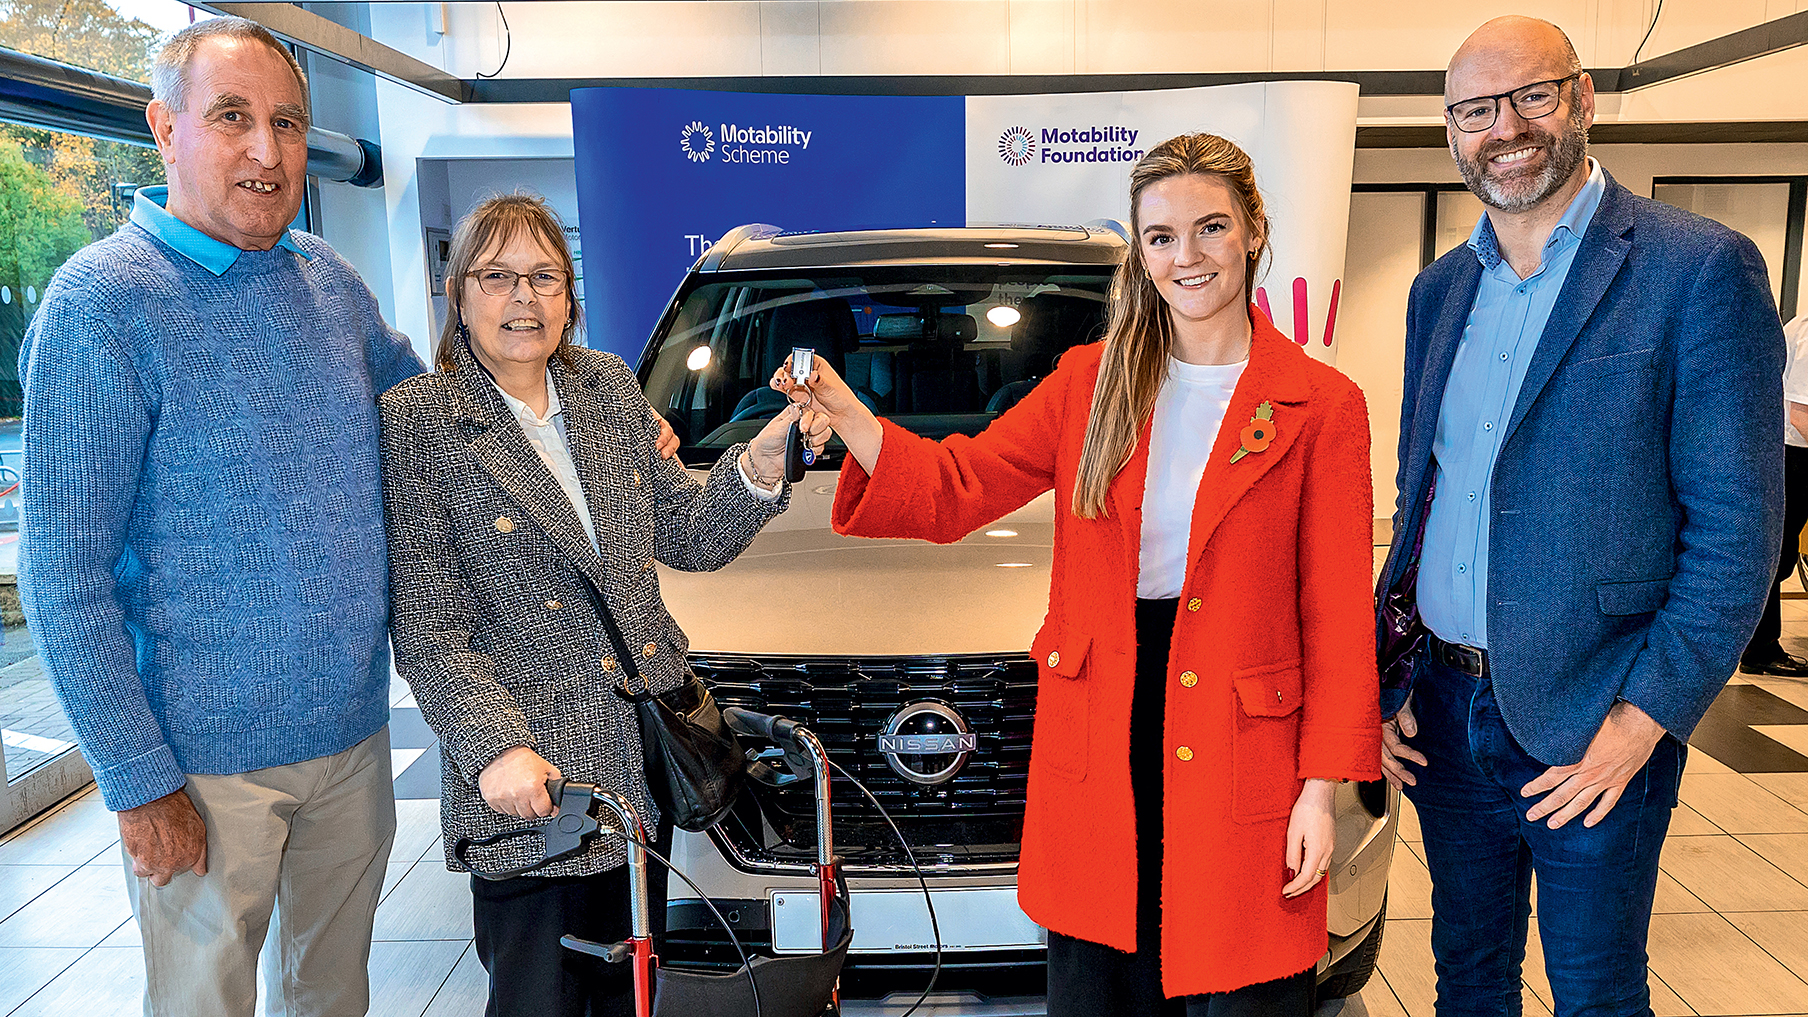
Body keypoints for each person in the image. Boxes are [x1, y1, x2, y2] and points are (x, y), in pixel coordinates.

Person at [782, 133, 1381, 1015]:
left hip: (1242, 748)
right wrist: (851, 416)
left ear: (1254, 229)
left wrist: (1320, 794)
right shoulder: (1091, 384)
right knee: (1104, 985)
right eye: (1163, 236)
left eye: (1211, 227)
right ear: (1142, 252)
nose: (1189, 256)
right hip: (1104, 736)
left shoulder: (1321, 407)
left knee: (1246, 986)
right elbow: (959, 487)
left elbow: (1336, 617)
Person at [1375, 16, 1785, 1016]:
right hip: (1439, 708)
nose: (1503, 127)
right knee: (1465, 983)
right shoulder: (1440, 289)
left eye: (1530, 96)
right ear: (1449, 129)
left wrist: (1642, 720)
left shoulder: (1695, 268)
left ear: (1583, 96)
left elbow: (1735, 530)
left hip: (1591, 716)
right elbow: (1417, 499)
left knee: (1594, 993)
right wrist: (1384, 672)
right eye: (1475, 109)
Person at [16, 17, 424, 1017]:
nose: (266, 151)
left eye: (287, 123)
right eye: (231, 117)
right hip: (199, 767)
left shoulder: (328, 282)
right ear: (165, 129)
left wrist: (603, 430)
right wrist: (135, 778)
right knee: (206, 1002)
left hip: (351, 736)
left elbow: (436, 425)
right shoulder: (100, 306)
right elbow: (61, 573)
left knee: (332, 996)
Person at [379, 192, 800, 1017]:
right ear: (459, 292)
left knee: (631, 988)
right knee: (538, 997)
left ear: (571, 295)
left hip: (638, 764)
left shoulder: (607, 387)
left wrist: (763, 455)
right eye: (498, 276)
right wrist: (494, 748)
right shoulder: (419, 422)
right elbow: (430, 625)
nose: (524, 299)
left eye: (544, 276)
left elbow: (688, 533)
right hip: (531, 783)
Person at [1741, 311, 1808, 677]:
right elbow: (1802, 414)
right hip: (1793, 454)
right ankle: (1759, 648)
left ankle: (1760, 644)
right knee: (1777, 556)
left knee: (1777, 555)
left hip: (1786, 451)